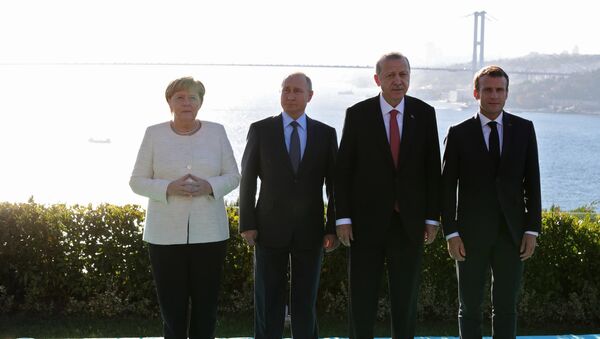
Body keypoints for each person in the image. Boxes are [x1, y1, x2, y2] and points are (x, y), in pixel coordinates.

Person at [335, 52, 442, 338]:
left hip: (409, 224)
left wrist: (432, 218)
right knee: (362, 300)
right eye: (391, 75)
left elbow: (433, 171)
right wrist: (342, 217)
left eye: (403, 74)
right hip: (364, 224)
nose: (398, 80)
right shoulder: (357, 114)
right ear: (377, 79)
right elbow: (343, 171)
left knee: (405, 301)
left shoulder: (425, 113)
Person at [129, 76, 240, 339]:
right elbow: (136, 181)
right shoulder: (153, 134)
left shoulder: (217, 132)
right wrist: (167, 187)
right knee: (172, 310)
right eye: (180, 97)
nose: (186, 102)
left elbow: (234, 176)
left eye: (193, 97)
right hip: (164, 236)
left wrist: (209, 186)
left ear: (200, 102)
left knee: (206, 308)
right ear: (170, 102)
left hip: (210, 234)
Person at [441, 65, 541, 338]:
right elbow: (447, 189)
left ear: (507, 93)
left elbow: (533, 183)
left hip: (512, 234)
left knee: (507, 307)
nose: (494, 95)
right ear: (476, 93)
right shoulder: (459, 133)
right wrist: (451, 232)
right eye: (488, 89)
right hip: (470, 236)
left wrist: (531, 229)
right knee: (470, 307)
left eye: (499, 90)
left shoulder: (524, 129)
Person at [239, 72, 338, 338]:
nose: (290, 96)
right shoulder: (261, 130)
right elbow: (247, 179)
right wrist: (247, 223)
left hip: (311, 230)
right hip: (269, 228)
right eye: (286, 90)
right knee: (268, 300)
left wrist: (332, 227)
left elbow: (334, 186)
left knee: (305, 302)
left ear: (310, 96)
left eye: (296, 91)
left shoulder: (325, 134)